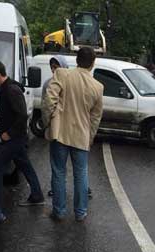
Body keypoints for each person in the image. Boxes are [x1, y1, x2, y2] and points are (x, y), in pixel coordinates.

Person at [42, 47, 103, 222]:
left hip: (60, 133)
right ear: (92, 63)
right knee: (81, 174)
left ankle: (59, 212)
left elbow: (49, 101)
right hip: (81, 135)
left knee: (59, 172)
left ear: (76, 60)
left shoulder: (62, 74)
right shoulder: (98, 87)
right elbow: (95, 117)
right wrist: (90, 137)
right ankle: (81, 212)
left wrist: (48, 123)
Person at [0, 60, 45, 225]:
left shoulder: (11, 90)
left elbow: (22, 116)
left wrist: (8, 134)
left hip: (14, 139)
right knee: (25, 165)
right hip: (14, 138)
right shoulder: (5, 88)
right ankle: (37, 195)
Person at [41, 56, 93, 199]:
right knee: (76, 170)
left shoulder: (68, 81)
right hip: (72, 132)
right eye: (52, 66)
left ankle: (60, 209)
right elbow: (45, 105)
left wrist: (47, 124)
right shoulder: (49, 83)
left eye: (56, 66)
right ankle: (78, 208)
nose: (54, 69)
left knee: (61, 170)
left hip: (64, 132)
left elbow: (47, 106)